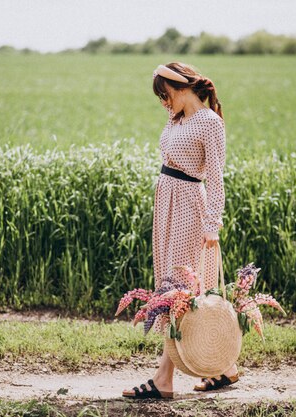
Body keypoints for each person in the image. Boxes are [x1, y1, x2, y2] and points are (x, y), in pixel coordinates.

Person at [122, 62, 239, 399]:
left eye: (164, 93)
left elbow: (216, 177)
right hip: (167, 201)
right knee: (170, 284)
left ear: (179, 86)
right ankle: (225, 367)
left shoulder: (210, 122)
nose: (163, 101)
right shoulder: (175, 118)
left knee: (180, 290)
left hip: (190, 203)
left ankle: (163, 379)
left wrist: (212, 224)